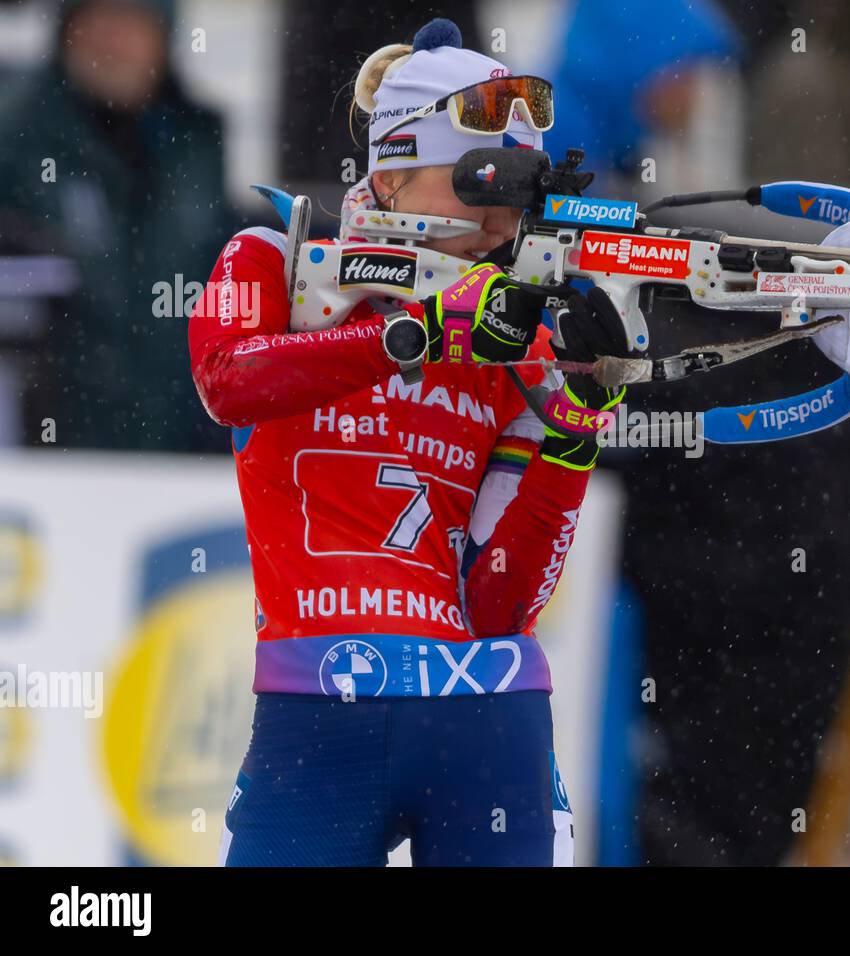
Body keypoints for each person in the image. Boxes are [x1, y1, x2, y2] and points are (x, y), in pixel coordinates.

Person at [188, 18, 628, 866]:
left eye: (522, 191)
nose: (504, 216)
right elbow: (228, 379)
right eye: (479, 181)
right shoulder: (276, 260)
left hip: (483, 712)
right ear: (390, 169)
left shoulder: (518, 331)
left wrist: (576, 424)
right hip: (316, 707)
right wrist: (414, 334)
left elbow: (498, 605)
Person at [0, 0, 232, 450]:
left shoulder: (197, 141)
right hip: (45, 452)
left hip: (178, 448)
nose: (113, 43)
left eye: (132, 23)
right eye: (99, 20)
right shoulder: (16, 136)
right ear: (66, 31)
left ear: (164, 38)